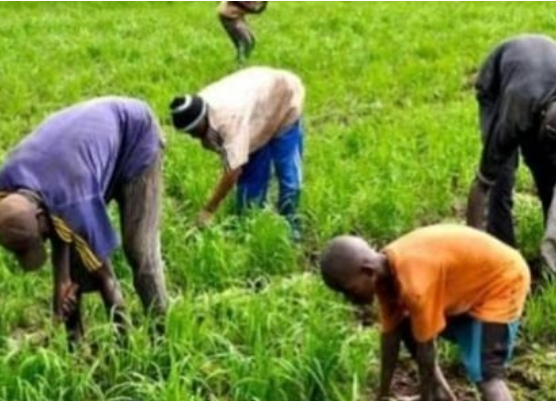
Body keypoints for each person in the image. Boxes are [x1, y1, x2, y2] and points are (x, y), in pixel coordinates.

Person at [0, 97, 168, 343]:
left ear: (41, 215)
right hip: (80, 157)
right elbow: (57, 229)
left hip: (136, 138)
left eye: (40, 238)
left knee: (139, 249)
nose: (43, 242)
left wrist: (125, 342)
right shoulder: (5, 190)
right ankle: (76, 343)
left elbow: (107, 280)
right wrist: (62, 285)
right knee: (75, 252)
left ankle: (161, 334)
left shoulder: (74, 202)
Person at [320, 225, 531, 401]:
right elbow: (391, 335)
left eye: (349, 290)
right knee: (406, 324)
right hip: (469, 286)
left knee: (485, 373)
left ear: (368, 272)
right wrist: (382, 394)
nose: (349, 299)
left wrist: (424, 395)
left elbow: (426, 349)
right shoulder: (386, 272)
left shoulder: (415, 286)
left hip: (503, 281)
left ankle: (435, 393)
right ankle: (440, 393)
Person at [170, 67, 306, 241]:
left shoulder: (228, 120)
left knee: (288, 174)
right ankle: (250, 226)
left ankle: (291, 224)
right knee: (252, 180)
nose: (193, 136)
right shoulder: (196, 108)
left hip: (283, 97)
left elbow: (233, 170)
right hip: (256, 109)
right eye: (189, 133)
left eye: (194, 131)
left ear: (202, 119)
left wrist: (209, 209)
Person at [466, 35, 556, 276]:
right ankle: (503, 260)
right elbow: (481, 186)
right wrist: (470, 246)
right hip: (496, 88)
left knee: (548, 172)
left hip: (537, 79)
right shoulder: (512, 118)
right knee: (500, 180)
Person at [217, 1, 268, 65]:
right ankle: (240, 63)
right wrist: (254, 8)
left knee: (250, 41)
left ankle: (241, 61)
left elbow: (257, 9)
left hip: (236, 16)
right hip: (229, 17)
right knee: (246, 41)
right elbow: (252, 8)